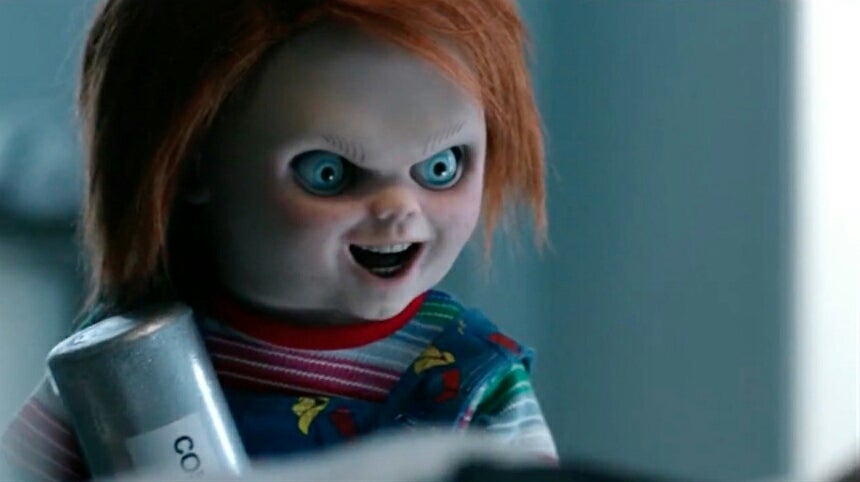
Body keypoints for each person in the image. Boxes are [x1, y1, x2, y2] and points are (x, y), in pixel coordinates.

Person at [1, 0, 556, 479]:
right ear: (192, 162)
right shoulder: (127, 363)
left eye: (441, 168)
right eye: (329, 174)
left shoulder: (477, 379)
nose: (398, 209)